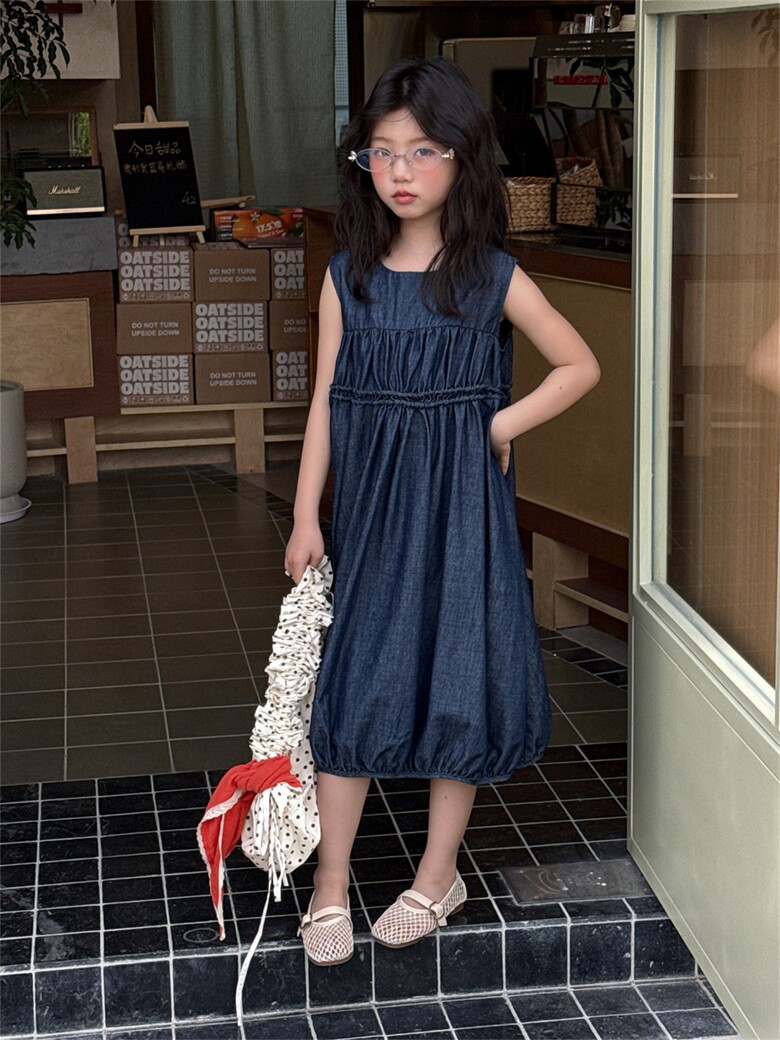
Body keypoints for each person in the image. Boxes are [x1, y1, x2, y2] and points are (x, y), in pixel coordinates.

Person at [284, 56, 601, 966]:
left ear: (463, 158)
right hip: (373, 519)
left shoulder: (493, 276)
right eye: (381, 152)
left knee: (456, 676)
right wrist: (305, 517)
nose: (401, 170)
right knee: (354, 683)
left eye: (423, 150)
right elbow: (324, 403)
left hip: (465, 513)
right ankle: (331, 882)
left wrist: (497, 423)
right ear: (362, 164)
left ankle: (437, 875)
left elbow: (580, 365)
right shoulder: (347, 278)